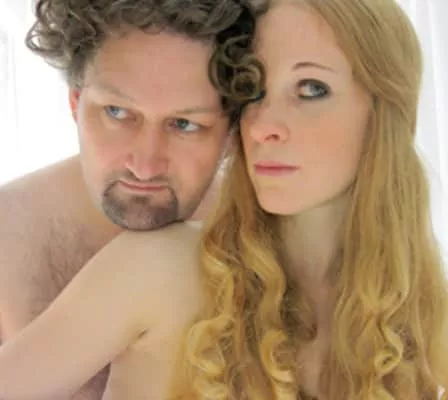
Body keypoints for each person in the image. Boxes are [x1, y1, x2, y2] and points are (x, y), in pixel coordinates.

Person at [1, 0, 447, 399]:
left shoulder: (426, 315)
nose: (263, 126)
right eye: (254, 92)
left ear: (386, 113)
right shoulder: (159, 268)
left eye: (311, 88)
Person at [0, 0, 254, 399]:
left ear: (231, 135)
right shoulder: (8, 234)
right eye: (117, 113)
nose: (145, 167)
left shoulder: (266, 242)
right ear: (75, 103)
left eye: (185, 124)